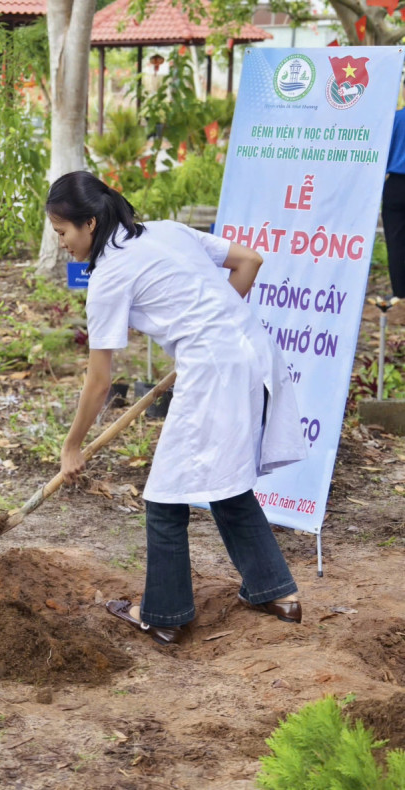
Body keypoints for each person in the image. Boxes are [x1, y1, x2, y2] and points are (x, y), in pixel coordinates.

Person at [48, 171, 307, 646]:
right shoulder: (167, 230)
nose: (61, 242)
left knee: (165, 498)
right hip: (254, 352)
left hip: (215, 370)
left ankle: (164, 615)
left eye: (62, 231)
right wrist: (213, 325)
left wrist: (72, 445)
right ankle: (277, 592)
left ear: (89, 223)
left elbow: (99, 381)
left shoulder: (108, 276)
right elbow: (250, 260)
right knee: (227, 478)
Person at [382, 93, 405, 299]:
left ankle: (400, 294)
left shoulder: (393, 119)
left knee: (396, 241)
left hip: (396, 185)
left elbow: (381, 156)